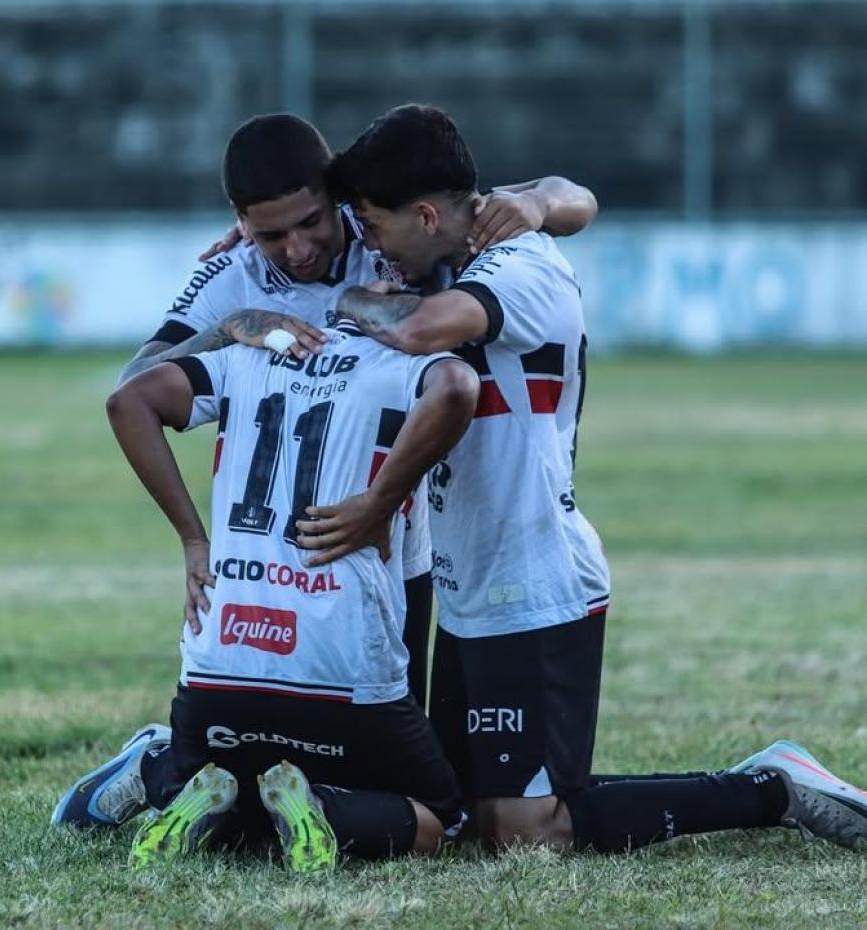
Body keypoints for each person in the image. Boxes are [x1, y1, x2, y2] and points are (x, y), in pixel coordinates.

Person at [284, 104, 867, 854]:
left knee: (526, 835)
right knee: (456, 818)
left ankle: (772, 788)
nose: (366, 244)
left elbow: (416, 329)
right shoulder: (452, 246)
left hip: (535, 583)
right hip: (473, 581)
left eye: (371, 225)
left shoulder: (519, 266)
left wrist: (341, 296)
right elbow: (564, 193)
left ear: (427, 214)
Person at [116, 113, 598, 709]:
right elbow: (134, 385)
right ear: (241, 224)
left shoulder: (388, 231)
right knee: (269, 730)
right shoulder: (230, 279)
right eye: (270, 236)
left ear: (335, 198)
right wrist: (232, 328)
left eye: (311, 222)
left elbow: (566, 200)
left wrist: (543, 201)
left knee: (400, 748)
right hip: (273, 557)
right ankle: (163, 760)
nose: (297, 250)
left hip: (401, 541)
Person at [52, 318, 481, 871]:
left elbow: (127, 400)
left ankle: (157, 770)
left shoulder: (242, 356)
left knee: (225, 779)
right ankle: (320, 807)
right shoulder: (398, 363)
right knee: (444, 821)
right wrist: (381, 501)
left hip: (220, 664)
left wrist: (191, 537)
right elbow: (456, 387)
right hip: (344, 669)